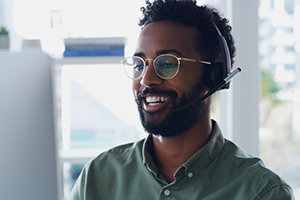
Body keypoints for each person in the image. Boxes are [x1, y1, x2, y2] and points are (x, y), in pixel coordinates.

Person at [68, 0, 294, 199]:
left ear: (213, 76)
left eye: (167, 64)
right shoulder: (98, 177)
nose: (147, 80)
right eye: (139, 65)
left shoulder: (261, 192)